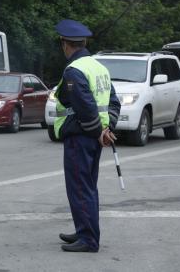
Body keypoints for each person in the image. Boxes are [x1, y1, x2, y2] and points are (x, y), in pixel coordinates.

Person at [53, 19, 121, 252]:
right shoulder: (98, 67)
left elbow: (85, 107)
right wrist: (107, 128)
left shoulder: (75, 70)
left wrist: (99, 131)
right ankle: (84, 230)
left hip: (80, 137)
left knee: (80, 188)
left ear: (65, 44)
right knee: (88, 186)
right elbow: (113, 103)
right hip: (93, 137)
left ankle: (89, 240)